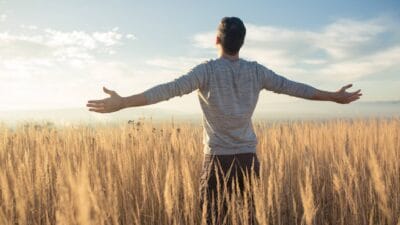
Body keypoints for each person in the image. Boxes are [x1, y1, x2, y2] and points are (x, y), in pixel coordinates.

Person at [86, 17, 362, 225]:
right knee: (249, 217)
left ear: (216, 41)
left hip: (217, 160)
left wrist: (123, 103)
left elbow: (166, 90)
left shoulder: (205, 72)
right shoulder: (257, 73)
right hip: (247, 159)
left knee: (213, 219)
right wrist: (333, 97)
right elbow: (294, 87)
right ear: (241, 43)